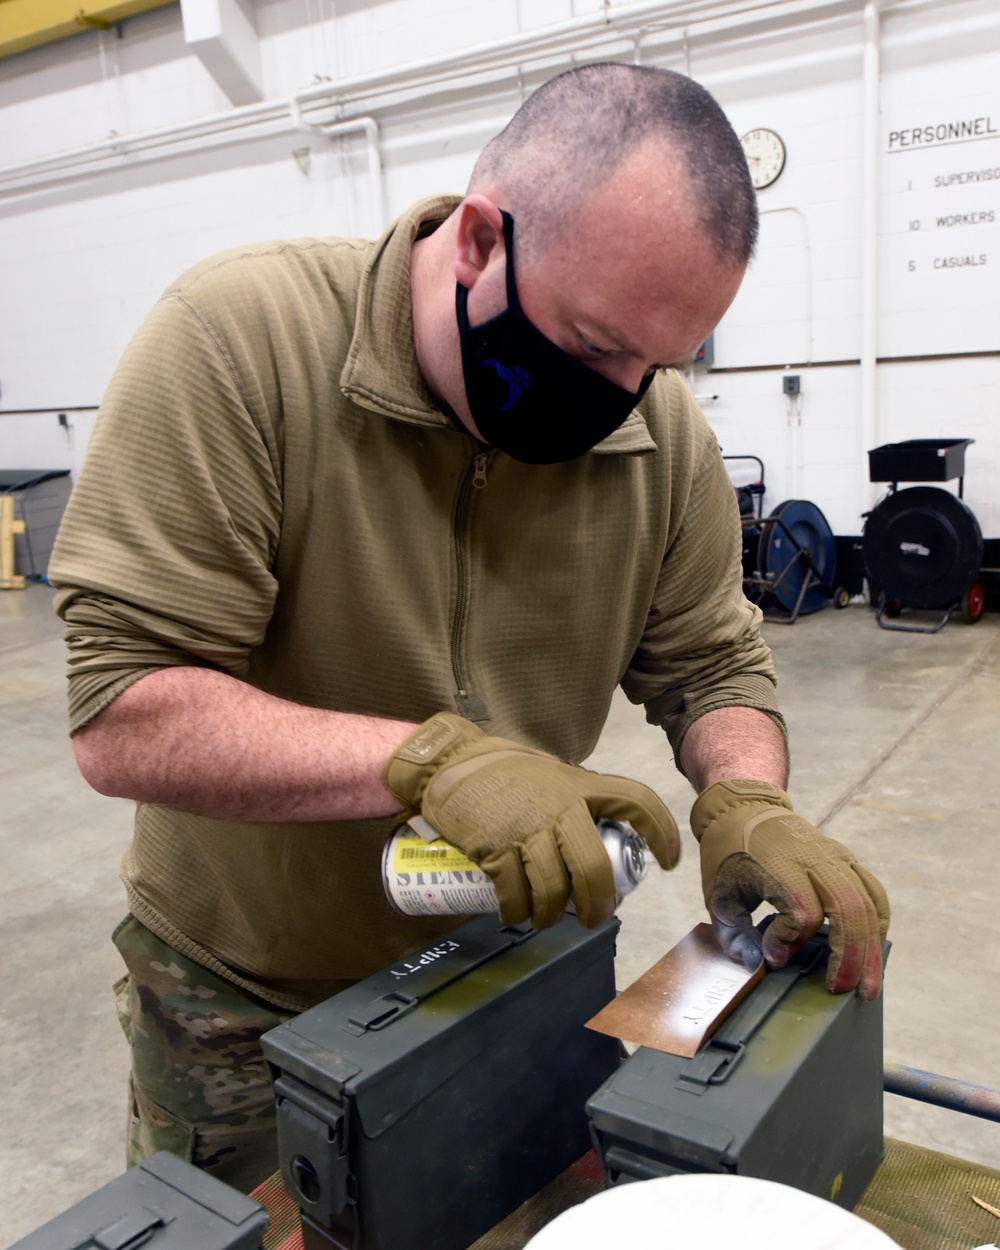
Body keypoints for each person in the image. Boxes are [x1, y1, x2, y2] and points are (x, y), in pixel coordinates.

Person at [50, 62, 889, 1193]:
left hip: (515, 960)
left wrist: (746, 797)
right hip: (251, 998)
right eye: (594, 344)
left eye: (659, 363)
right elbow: (125, 712)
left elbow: (710, 660)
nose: (621, 392)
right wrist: (428, 760)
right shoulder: (241, 344)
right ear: (482, 240)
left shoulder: (663, 436)